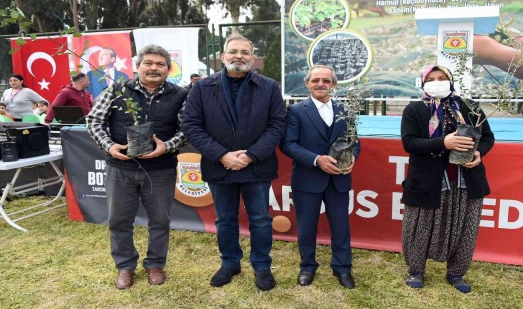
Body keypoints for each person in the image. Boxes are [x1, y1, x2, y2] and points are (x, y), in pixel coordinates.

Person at [182, 35, 286, 291]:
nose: (239, 56)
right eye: (233, 51)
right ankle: (230, 263)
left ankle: (262, 266)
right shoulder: (202, 87)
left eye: (245, 52)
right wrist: (221, 155)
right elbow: (191, 126)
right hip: (219, 166)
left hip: (257, 167)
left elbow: (277, 125)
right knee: (225, 220)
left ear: (252, 57)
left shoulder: (269, 87)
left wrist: (250, 155)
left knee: (261, 219)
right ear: (223, 56)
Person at [86, 44, 188, 290]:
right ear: (138, 66)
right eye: (148, 63)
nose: (154, 68)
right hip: (120, 168)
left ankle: (155, 264)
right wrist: (109, 146)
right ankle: (125, 265)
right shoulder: (118, 89)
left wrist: (168, 146)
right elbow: (94, 120)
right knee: (119, 220)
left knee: (160, 220)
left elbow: (188, 129)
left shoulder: (181, 95)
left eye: (160, 64)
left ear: (168, 68)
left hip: (161, 169)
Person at [400, 65, 495, 293]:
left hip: (466, 179)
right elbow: (409, 143)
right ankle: (416, 271)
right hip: (427, 180)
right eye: (431, 79)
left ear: (450, 81)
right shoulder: (414, 109)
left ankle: (456, 273)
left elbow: (488, 137)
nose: (436, 82)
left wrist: (479, 152)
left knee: (465, 227)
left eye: (441, 78)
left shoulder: (469, 107)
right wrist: (444, 142)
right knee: (419, 226)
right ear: (423, 83)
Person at [280, 65, 360, 289]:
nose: (321, 84)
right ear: (307, 83)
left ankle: (343, 268)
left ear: (333, 85)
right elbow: (287, 144)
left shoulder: (345, 110)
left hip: (339, 178)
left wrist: (353, 156)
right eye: (316, 80)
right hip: (307, 179)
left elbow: (355, 141)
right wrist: (317, 159)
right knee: (306, 226)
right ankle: (307, 267)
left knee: (341, 226)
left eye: (326, 80)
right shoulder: (295, 111)